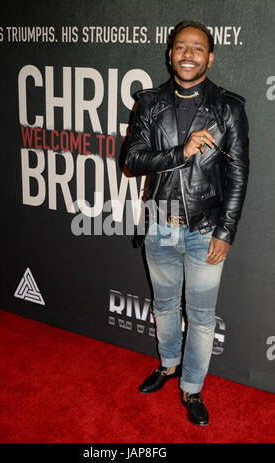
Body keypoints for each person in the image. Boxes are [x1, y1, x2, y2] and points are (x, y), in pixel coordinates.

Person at [125, 20, 249, 426]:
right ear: (170, 54)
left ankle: (192, 388)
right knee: (163, 305)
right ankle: (168, 364)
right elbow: (131, 161)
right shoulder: (149, 103)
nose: (188, 54)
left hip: (205, 231)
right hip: (160, 224)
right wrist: (182, 151)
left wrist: (226, 232)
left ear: (210, 57)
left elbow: (238, 175)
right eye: (181, 47)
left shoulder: (229, 108)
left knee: (200, 316)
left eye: (197, 48)